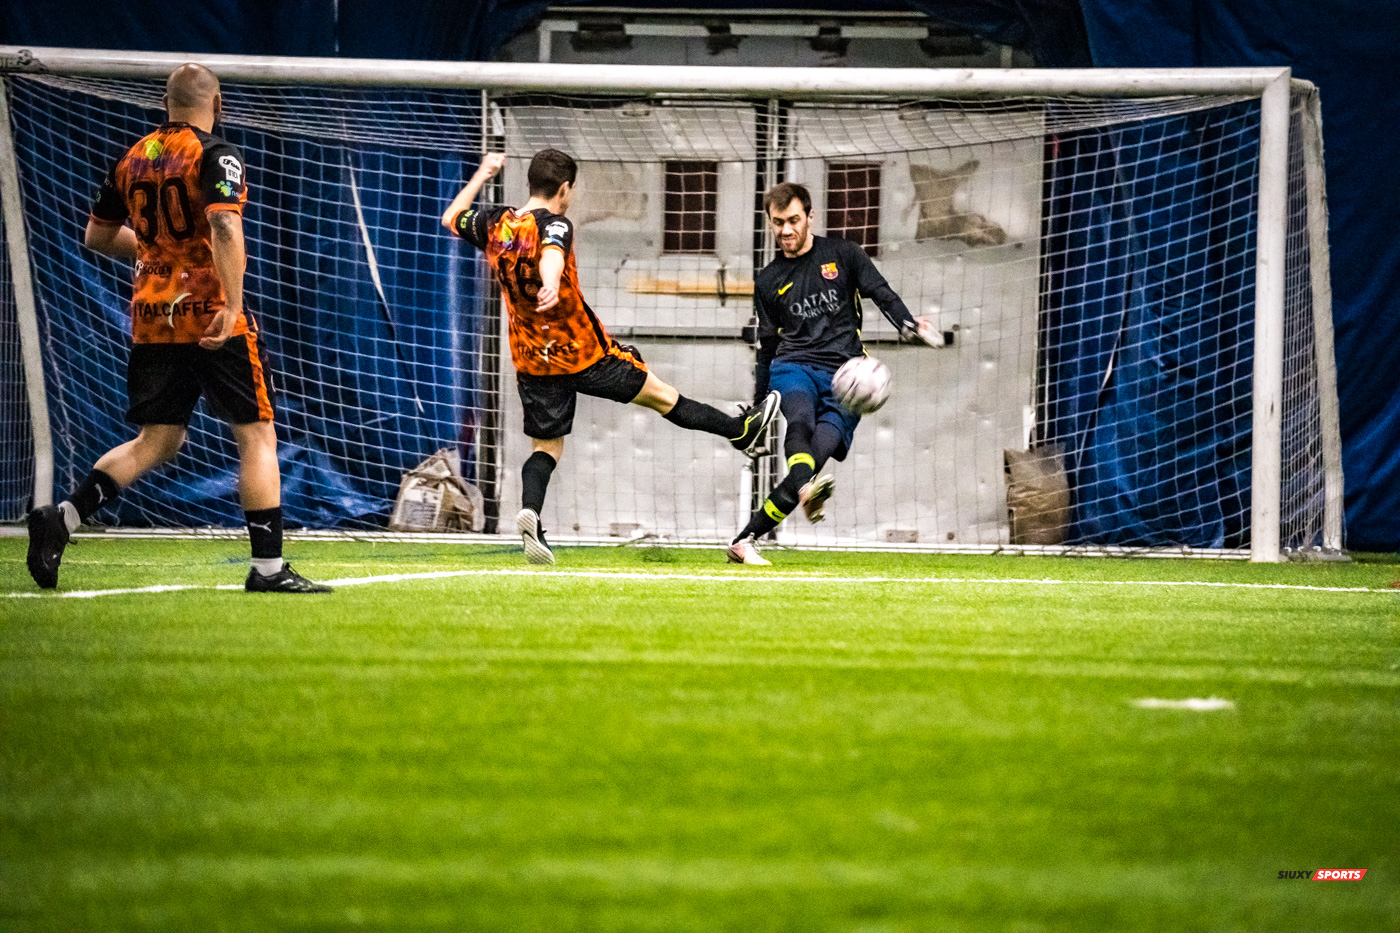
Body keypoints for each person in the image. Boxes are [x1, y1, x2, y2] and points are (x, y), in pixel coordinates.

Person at [25, 63, 330, 593]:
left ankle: (65, 517)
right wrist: (232, 305)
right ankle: (268, 569)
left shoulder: (132, 158)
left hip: (153, 318)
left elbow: (96, 237)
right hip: (211, 315)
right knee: (256, 435)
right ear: (218, 103)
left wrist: (156, 254)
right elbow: (224, 223)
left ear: (166, 104)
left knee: (158, 439)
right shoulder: (217, 153)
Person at [442, 148, 780, 565]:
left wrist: (483, 172)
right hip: (583, 354)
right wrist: (549, 282)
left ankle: (531, 512)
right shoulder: (556, 224)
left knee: (546, 447)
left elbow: (451, 216)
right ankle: (739, 430)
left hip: (532, 359)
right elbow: (551, 251)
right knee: (662, 396)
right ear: (564, 189)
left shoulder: (496, 223)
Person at [727, 181, 941, 566]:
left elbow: (881, 292)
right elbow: (767, 344)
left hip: (847, 377)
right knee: (800, 421)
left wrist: (908, 325)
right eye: (778, 223)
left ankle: (745, 541)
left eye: (793, 220)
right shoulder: (768, 279)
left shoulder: (844, 254)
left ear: (810, 216)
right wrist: (759, 404)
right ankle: (800, 494)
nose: (786, 230)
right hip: (793, 367)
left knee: (810, 464)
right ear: (770, 223)